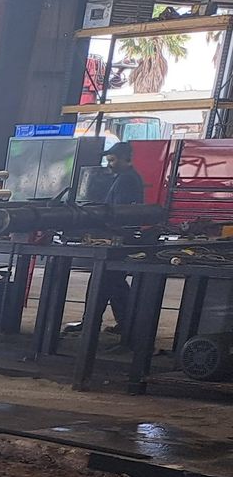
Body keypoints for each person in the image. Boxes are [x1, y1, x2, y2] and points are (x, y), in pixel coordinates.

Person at [75, 141, 145, 336]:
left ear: (126, 159)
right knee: (116, 285)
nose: (110, 164)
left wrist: (100, 226)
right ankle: (127, 324)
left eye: (113, 160)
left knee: (101, 283)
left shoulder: (127, 180)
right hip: (121, 237)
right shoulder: (126, 178)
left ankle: (90, 325)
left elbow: (118, 212)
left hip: (119, 238)